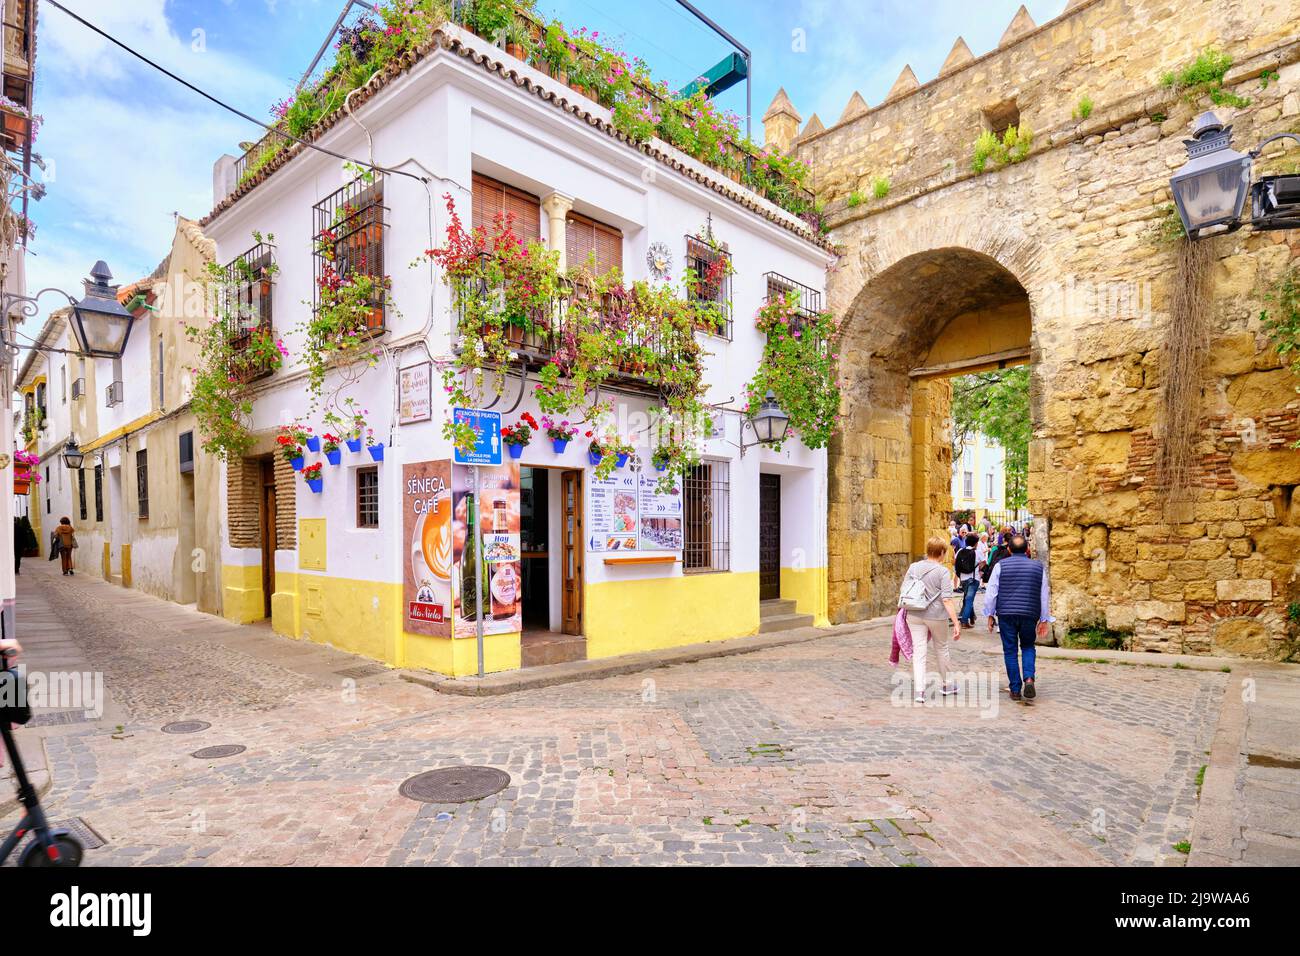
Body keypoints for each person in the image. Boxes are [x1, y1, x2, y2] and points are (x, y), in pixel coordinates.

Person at [985, 535, 1054, 702]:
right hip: (1030, 614)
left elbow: (992, 593)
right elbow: (1043, 594)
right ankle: (1029, 678)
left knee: (1010, 650)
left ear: (1009, 549)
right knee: (1028, 646)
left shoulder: (1001, 566)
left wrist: (990, 614)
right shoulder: (1038, 568)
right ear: (1027, 549)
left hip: (1006, 614)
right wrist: (1044, 618)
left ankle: (1015, 689)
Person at [899, 537, 962, 703]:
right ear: (941, 552)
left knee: (919, 651)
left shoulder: (913, 567)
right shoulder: (942, 572)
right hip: (936, 616)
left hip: (914, 614)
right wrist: (956, 622)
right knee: (941, 648)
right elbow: (947, 599)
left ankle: (920, 691)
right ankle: (947, 684)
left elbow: (903, 589)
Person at [954, 533, 980, 627]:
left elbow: (955, 562)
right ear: (976, 543)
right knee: (969, 599)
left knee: (967, 598)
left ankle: (972, 616)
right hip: (973, 579)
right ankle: (964, 621)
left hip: (963, 579)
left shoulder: (960, 550)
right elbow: (983, 564)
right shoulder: (977, 552)